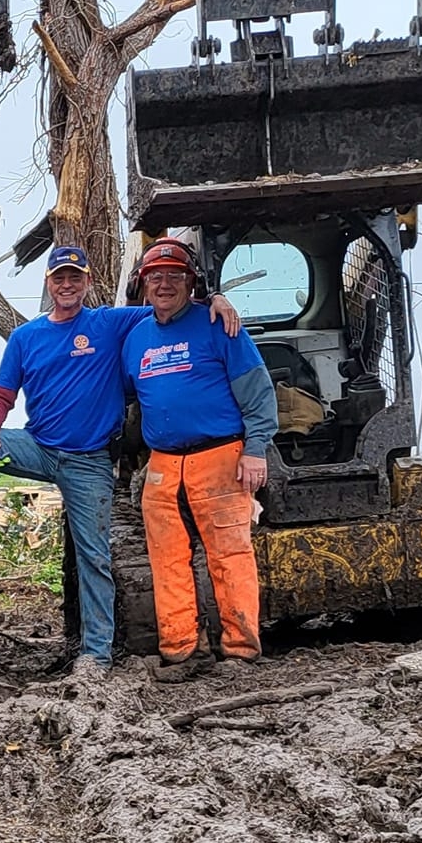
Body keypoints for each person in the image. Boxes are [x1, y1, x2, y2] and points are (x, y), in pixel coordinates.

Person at [0, 245, 240, 675]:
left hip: (89, 462)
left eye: (75, 278)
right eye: (59, 278)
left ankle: (95, 654)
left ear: (87, 283)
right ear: (48, 284)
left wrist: (215, 299)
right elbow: (1, 396)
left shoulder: (108, 323)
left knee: (94, 557)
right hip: (37, 449)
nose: (67, 285)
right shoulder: (26, 338)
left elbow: (168, 304)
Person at [120, 236, 277, 681]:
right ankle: (181, 650)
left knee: (230, 555)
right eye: (155, 276)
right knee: (166, 558)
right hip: (163, 463)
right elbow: (127, 396)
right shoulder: (135, 338)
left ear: (192, 283)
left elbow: (257, 391)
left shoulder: (217, 325)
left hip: (220, 456)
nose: (164, 284)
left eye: (175, 276)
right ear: (142, 284)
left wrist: (256, 449)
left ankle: (241, 650)